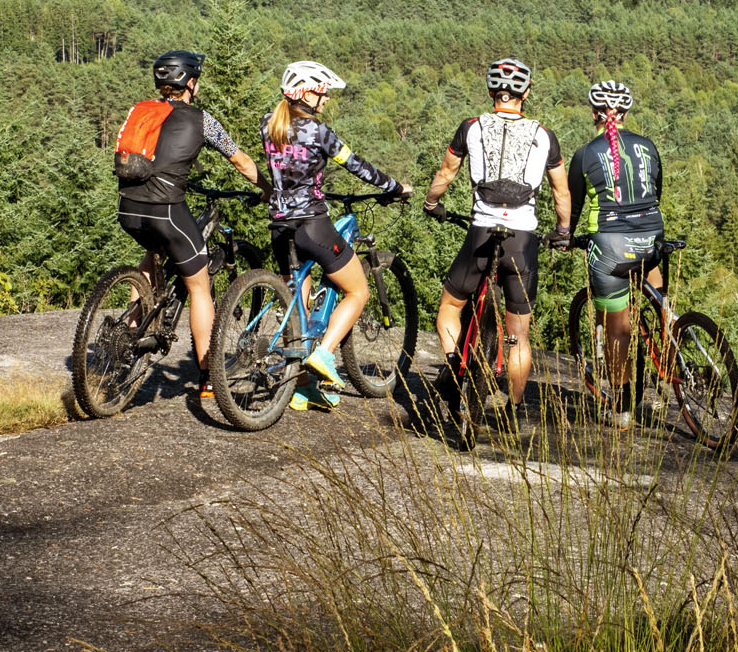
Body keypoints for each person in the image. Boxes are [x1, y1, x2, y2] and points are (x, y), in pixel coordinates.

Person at [422, 57, 571, 427]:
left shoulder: (470, 127)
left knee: (449, 309)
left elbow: (446, 172)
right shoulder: (544, 135)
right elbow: (561, 192)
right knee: (519, 335)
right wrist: (563, 231)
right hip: (522, 240)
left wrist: (432, 203)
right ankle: (514, 410)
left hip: (481, 233)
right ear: (526, 93)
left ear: (491, 91)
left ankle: (457, 371)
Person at [113, 50, 262, 397]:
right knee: (198, 287)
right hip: (165, 210)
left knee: (152, 256)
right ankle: (209, 377)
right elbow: (240, 160)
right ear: (190, 82)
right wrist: (267, 189)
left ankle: (130, 337)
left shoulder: (142, 111)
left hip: (128, 208)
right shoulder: (202, 120)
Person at [262, 59, 407, 410]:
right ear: (305, 95)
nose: (325, 99)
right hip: (312, 224)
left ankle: (301, 387)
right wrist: (394, 186)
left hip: (280, 227)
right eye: (321, 93)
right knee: (358, 291)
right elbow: (356, 165)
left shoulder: (268, 124)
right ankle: (325, 356)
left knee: (299, 307)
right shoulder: (319, 133)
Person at [564, 79, 663, 430]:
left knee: (617, 330)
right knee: (657, 295)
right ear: (625, 112)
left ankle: (622, 410)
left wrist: (564, 237)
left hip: (610, 246)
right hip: (652, 238)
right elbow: (657, 193)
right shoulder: (648, 146)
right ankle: (669, 344)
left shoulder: (586, 153)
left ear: (595, 114)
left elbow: (572, 210)